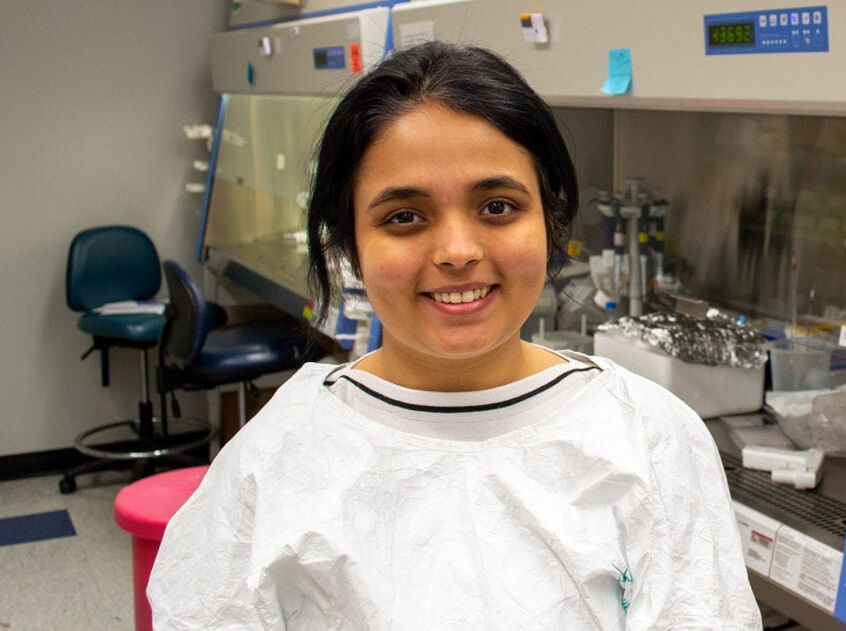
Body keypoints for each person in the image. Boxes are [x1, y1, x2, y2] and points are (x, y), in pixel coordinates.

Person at [147, 41, 762, 630]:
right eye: (404, 217)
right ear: (349, 245)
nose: (458, 252)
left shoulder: (651, 439)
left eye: (497, 206)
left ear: (550, 221)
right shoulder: (277, 459)